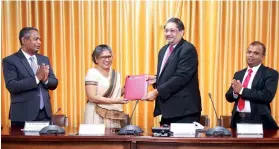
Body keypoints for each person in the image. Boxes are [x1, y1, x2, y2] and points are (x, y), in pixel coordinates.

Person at [142, 18, 202, 125]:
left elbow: (181, 77)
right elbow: (171, 73)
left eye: (172, 30)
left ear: (181, 32)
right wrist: (157, 78)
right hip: (168, 111)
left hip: (184, 112)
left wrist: (156, 92)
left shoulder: (188, 49)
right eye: (166, 30)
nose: (168, 33)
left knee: (183, 142)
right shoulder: (163, 51)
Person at [2, 27, 58, 126]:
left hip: (44, 114)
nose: (39, 42)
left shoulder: (43, 59)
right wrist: (37, 78)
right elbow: (12, 86)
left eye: (40, 39)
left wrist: (45, 80)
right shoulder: (10, 60)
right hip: (23, 114)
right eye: (36, 39)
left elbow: (54, 82)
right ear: (24, 40)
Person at [225, 41, 278, 129]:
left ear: (262, 57)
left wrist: (242, 90)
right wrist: (235, 92)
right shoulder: (239, 74)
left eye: (256, 53)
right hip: (238, 119)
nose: (251, 55)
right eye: (249, 52)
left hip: (257, 120)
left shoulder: (270, 73)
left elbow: (267, 96)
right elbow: (228, 97)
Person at [84, 44, 129, 128]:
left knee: (113, 139)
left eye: (109, 56)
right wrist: (115, 101)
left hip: (112, 113)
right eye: (103, 57)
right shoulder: (92, 73)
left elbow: (117, 93)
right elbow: (92, 97)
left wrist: (130, 87)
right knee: (96, 140)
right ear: (96, 59)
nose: (107, 60)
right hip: (95, 113)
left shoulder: (116, 74)